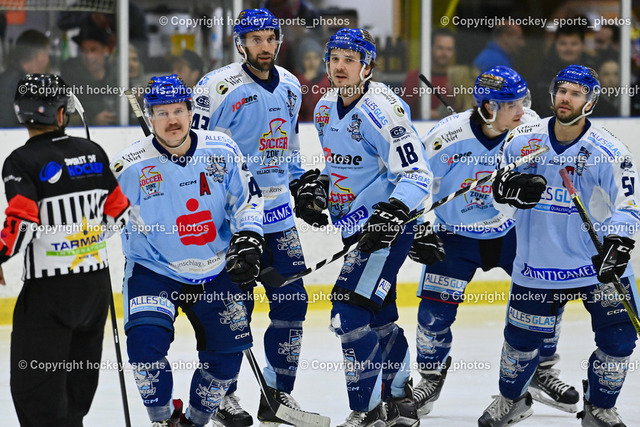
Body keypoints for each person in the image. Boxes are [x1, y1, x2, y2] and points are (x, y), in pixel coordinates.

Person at [409, 66, 579, 419]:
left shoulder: (530, 127)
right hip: (455, 235)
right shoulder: (446, 138)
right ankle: (430, 376)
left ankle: (541, 370)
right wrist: (418, 228)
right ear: (488, 107)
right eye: (511, 104)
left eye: (523, 101)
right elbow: (414, 180)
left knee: (547, 300)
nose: (521, 110)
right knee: (434, 313)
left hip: (512, 232)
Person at [479, 64, 639, 426]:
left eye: (576, 93)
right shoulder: (522, 139)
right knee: (520, 344)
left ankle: (599, 408)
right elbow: (496, 198)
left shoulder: (609, 150)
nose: (566, 98)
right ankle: (512, 400)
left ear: (590, 102)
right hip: (538, 265)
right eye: (562, 91)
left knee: (619, 340)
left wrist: (618, 242)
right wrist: (506, 191)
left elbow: (630, 204)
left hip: (596, 265)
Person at [112, 74, 264, 427]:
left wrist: (248, 237)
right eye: (162, 113)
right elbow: (103, 218)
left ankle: (194, 422)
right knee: (145, 349)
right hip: (154, 269)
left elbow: (248, 200)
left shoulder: (221, 149)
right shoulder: (128, 166)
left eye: (178, 111)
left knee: (226, 359)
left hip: (215, 268)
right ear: (150, 117)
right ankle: (164, 420)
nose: (172, 120)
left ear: (191, 111)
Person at [192, 9, 311, 425]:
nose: (264, 46)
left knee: (293, 303)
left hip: (278, 217)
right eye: (255, 39)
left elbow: (289, 147)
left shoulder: (291, 85)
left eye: (270, 38)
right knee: (231, 311)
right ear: (240, 44)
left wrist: (301, 183)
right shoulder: (215, 88)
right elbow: (193, 152)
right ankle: (223, 396)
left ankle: (278, 393)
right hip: (232, 220)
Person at [310, 27, 433, 426]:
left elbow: (417, 174)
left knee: (348, 313)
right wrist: (318, 189)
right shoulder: (324, 107)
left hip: (385, 232)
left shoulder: (383, 111)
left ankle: (367, 411)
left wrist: (395, 212)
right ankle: (399, 401)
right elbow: (341, 167)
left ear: (368, 67)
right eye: (334, 59)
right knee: (378, 318)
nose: (340, 66)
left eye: (350, 59)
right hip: (355, 230)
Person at [2, 73, 130, 426]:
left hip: (49, 294)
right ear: (62, 112)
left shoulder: (20, 161)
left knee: (36, 392)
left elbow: (22, 223)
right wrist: (85, 240)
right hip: (94, 290)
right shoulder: (93, 152)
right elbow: (120, 212)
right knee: (77, 392)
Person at [529, 23, 594, 113]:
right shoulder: (542, 71)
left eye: (574, 44)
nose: (568, 48)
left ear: (583, 45)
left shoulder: (593, 69)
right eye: (563, 43)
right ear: (555, 45)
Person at [61, 24, 117, 126]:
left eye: (93, 50)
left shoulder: (118, 76)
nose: (89, 56)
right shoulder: (70, 79)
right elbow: (64, 117)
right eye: (84, 51)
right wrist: (92, 120)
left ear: (105, 50)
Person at [402, 28, 455, 120]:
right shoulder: (414, 78)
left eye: (449, 49)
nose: (444, 53)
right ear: (430, 47)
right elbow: (403, 113)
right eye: (440, 48)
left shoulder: (458, 78)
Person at [0, 30, 50, 127]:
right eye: (47, 54)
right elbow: (5, 128)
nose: (48, 60)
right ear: (39, 56)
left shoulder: (17, 81)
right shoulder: (11, 86)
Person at [294, 37, 331, 122]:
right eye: (307, 58)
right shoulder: (295, 81)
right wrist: (304, 81)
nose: (312, 62)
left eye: (316, 58)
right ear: (301, 60)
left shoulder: (328, 80)